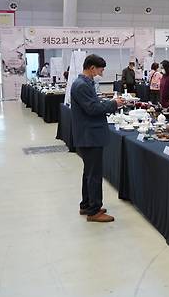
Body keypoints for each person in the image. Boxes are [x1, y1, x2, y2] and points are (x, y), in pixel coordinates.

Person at [70, 54, 124, 222]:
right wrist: (114, 104)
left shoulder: (84, 83)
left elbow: (92, 104)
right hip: (90, 135)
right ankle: (94, 211)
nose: (102, 72)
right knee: (94, 174)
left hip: (89, 134)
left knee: (89, 172)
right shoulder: (81, 85)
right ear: (92, 68)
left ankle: (86, 204)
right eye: (100, 69)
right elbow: (92, 108)